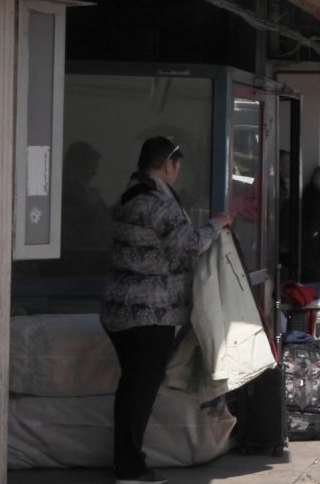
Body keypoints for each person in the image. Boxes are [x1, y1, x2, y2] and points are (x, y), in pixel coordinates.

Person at [101, 136, 231, 484]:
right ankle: (130, 467)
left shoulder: (130, 194)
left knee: (132, 387)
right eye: (178, 166)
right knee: (138, 390)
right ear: (169, 164)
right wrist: (217, 224)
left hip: (119, 309)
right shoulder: (158, 203)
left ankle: (126, 460)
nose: (178, 172)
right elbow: (188, 247)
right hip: (148, 313)